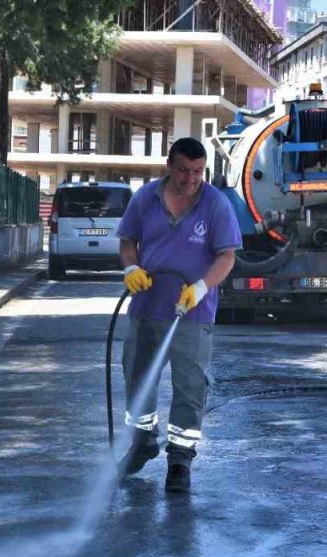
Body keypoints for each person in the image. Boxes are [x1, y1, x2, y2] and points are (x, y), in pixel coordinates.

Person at [115, 137, 242, 493]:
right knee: (137, 378)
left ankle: (180, 460)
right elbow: (127, 242)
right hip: (146, 307)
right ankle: (142, 443)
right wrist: (131, 268)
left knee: (189, 386)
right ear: (169, 166)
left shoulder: (215, 204)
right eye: (184, 170)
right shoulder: (146, 198)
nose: (191, 179)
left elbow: (227, 256)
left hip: (192, 312)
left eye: (198, 171)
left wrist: (201, 287)